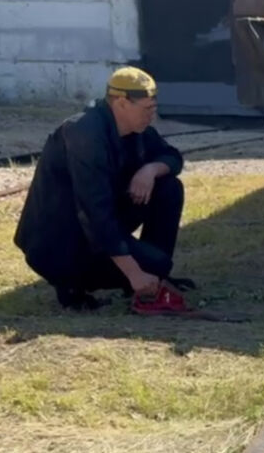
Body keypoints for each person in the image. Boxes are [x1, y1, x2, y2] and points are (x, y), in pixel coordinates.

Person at [14, 66, 191, 310]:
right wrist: (134, 272)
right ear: (121, 103)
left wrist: (150, 170)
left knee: (169, 187)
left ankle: (152, 279)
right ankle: (73, 286)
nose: (152, 115)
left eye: (154, 108)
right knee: (153, 265)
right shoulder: (84, 134)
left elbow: (172, 157)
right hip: (59, 243)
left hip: (97, 232)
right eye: (147, 109)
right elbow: (94, 210)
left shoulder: (137, 131)